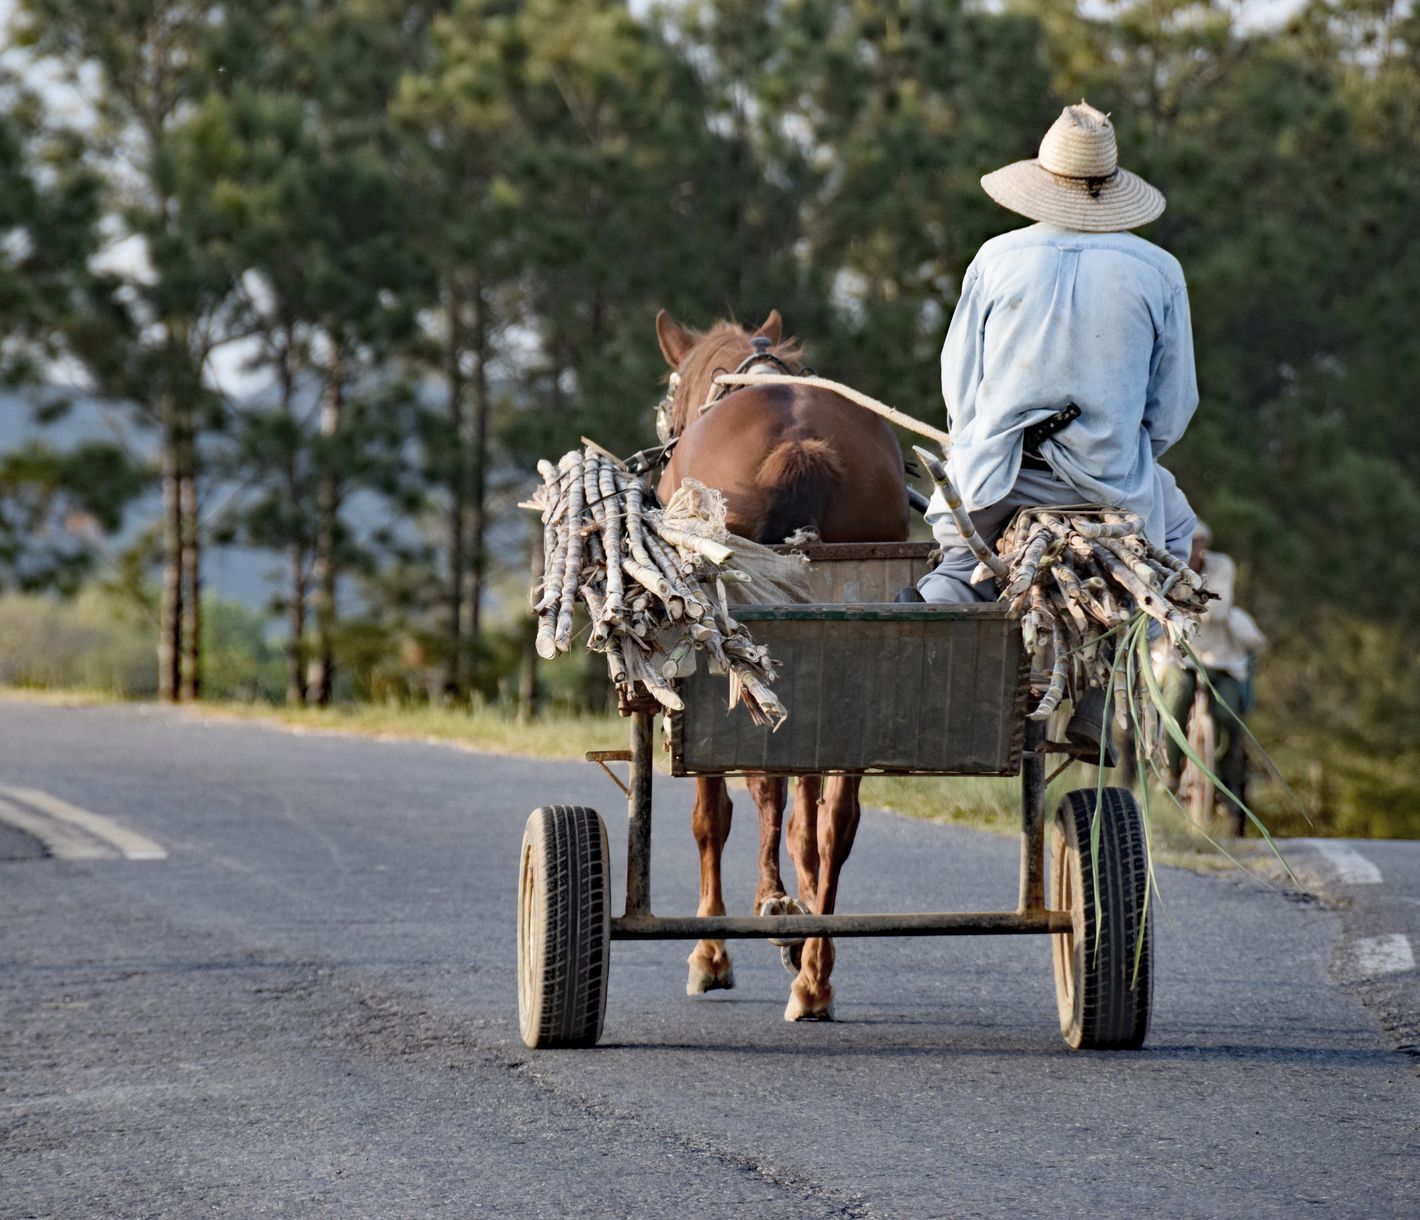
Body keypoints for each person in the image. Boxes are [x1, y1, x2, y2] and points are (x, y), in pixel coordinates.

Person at [914, 101, 1198, 604]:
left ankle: (944, 601)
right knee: (1175, 535)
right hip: (1110, 490)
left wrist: (974, 440)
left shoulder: (995, 258)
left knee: (960, 567)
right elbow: (1172, 410)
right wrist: (1119, 452)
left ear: (1043, 180)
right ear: (1110, 187)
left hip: (996, 482)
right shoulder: (1159, 271)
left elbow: (960, 388)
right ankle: (1139, 644)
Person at [1157, 521, 1267, 821]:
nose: (1192, 549)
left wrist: (1181, 601)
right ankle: (1171, 771)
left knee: (1228, 714)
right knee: (1176, 695)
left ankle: (1226, 780)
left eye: (1196, 542)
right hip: (1181, 656)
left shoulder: (1221, 565)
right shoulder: (1164, 559)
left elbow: (1218, 608)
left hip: (1221, 661)